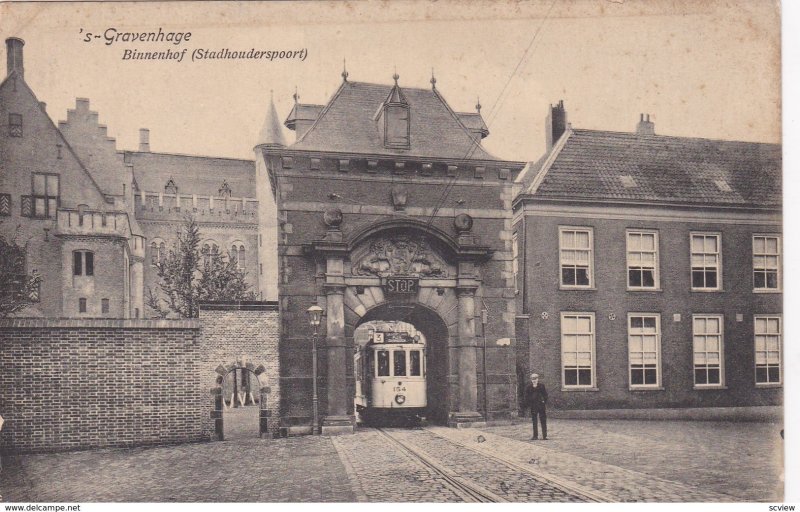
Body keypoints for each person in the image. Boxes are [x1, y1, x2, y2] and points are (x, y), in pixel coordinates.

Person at [524, 373, 548, 440]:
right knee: (534, 421)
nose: (534, 380)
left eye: (535, 379)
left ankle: (544, 436)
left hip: (541, 406)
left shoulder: (541, 386)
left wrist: (544, 401)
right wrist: (529, 403)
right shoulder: (529, 387)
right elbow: (526, 396)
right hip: (533, 406)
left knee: (543, 420)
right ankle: (535, 436)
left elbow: (545, 395)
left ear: (538, 379)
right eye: (532, 379)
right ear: (531, 380)